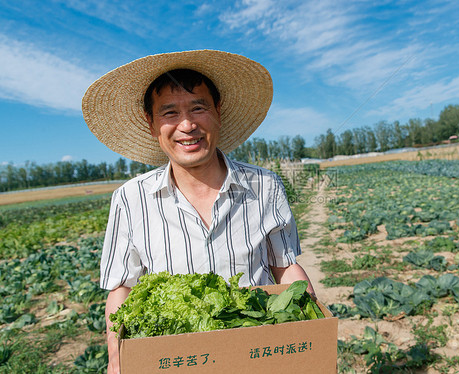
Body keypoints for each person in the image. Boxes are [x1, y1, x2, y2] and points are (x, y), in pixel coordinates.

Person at [81, 50, 315, 374]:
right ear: (151, 123)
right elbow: (122, 288)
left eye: (198, 107)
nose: (187, 125)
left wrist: (311, 324)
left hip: (257, 356)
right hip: (176, 361)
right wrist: (116, 358)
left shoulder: (265, 186)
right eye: (170, 112)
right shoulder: (130, 199)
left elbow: (285, 267)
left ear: (218, 111)